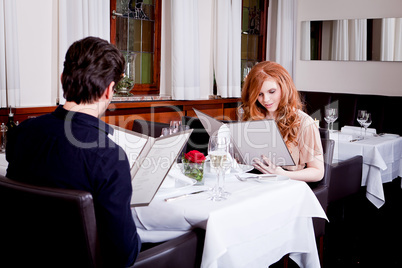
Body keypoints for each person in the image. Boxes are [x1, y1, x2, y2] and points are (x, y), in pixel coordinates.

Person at [6, 36, 141, 267]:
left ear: (62, 79)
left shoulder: (22, 133)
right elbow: (123, 256)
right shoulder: (109, 157)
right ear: (109, 91)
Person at [241, 61, 324, 182]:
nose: (266, 100)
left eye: (272, 92)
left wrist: (282, 174)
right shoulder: (252, 117)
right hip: (254, 182)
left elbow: (318, 172)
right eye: (259, 94)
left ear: (284, 87)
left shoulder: (304, 122)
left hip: (287, 186)